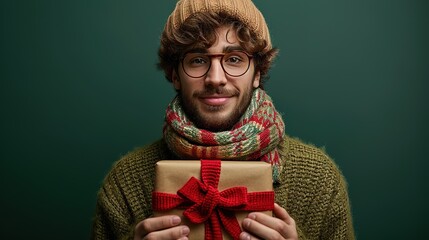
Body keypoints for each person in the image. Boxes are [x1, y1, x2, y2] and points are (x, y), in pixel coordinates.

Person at [91, 0, 355, 239]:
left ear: (257, 73)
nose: (215, 78)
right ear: (174, 75)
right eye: (197, 60)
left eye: (234, 59)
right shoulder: (125, 183)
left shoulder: (319, 180)